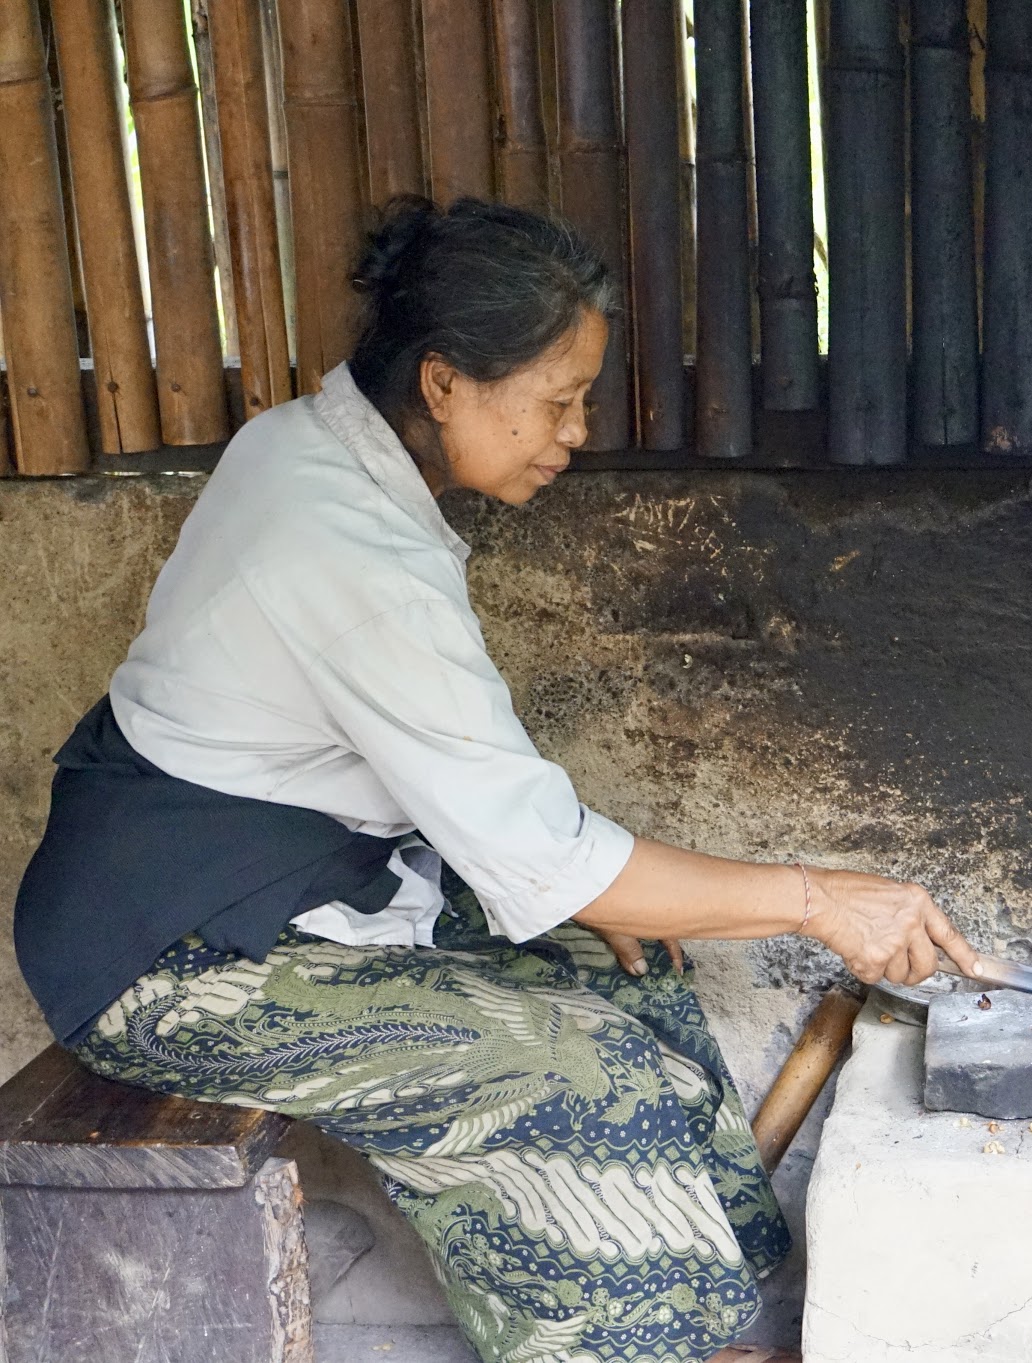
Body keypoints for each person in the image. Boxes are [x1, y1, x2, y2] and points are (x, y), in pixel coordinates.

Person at [11, 197, 979, 1363]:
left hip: (275, 876)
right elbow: (540, 853)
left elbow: (503, 819)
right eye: (555, 401)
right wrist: (822, 898)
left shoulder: (316, 441)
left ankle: (710, 1308)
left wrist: (601, 893)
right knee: (573, 1070)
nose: (572, 430)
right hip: (161, 952)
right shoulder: (345, 544)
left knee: (622, 961)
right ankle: (642, 1343)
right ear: (442, 384)